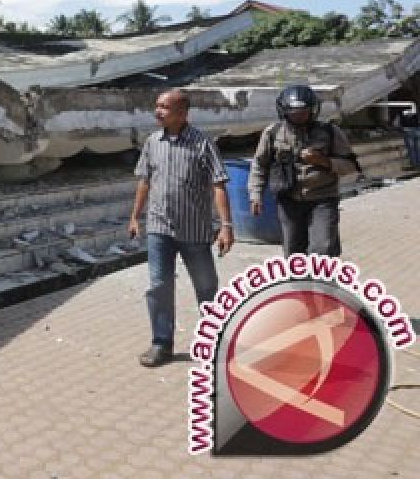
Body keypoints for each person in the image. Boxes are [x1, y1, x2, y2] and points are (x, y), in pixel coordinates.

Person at [128, 89, 233, 368]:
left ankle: (214, 340)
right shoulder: (152, 142)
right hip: (159, 227)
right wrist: (134, 217)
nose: (157, 111)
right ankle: (161, 343)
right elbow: (145, 181)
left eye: (164, 107)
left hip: (194, 231)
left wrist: (226, 226)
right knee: (159, 285)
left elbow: (218, 184)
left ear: (182, 112)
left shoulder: (202, 143)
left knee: (206, 287)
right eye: (157, 105)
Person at [249, 84, 358, 257]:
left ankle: (324, 283)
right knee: (293, 254)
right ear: (284, 111)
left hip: (322, 199)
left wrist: (323, 161)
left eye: (304, 112)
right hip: (288, 201)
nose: (300, 116)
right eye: (294, 113)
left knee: (323, 249)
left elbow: (351, 166)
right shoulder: (272, 133)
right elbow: (260, 165)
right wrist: (256, 195)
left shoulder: (329, 132)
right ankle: (299, 284)